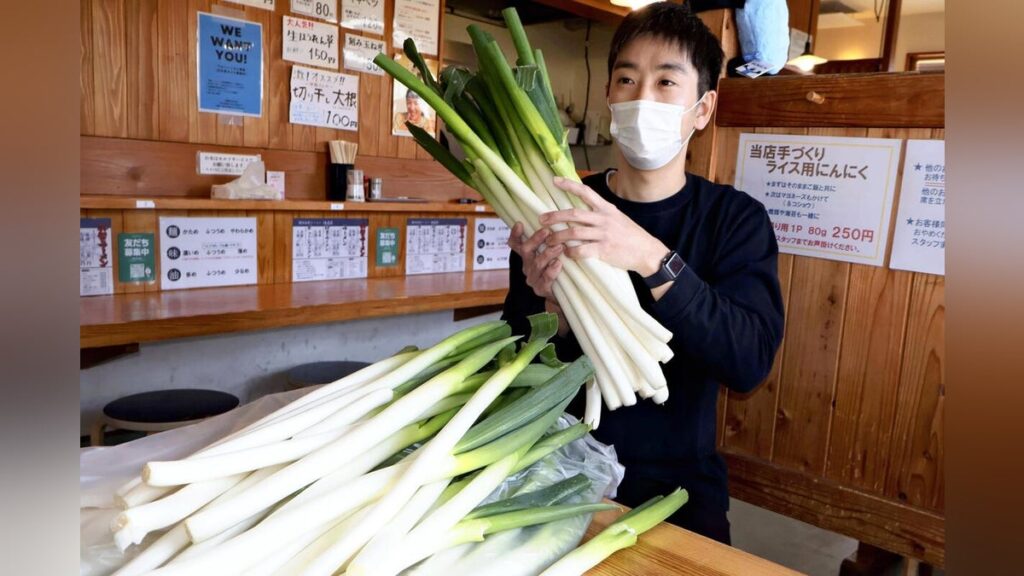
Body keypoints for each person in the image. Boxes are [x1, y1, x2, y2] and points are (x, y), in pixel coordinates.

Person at [501, 2, 784, 545]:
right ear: (608, 95)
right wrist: (549, 313)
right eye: (627, 79)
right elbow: (516, 358)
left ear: (702, 110)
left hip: (675, 486)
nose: (641, 98)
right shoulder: (559, 204)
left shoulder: (735, 219)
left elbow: (748, 362)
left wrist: (654, 259)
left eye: (665, 82)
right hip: (557, 467)